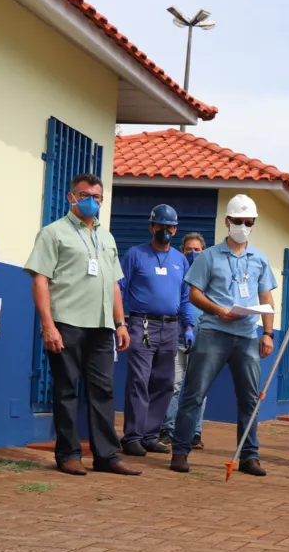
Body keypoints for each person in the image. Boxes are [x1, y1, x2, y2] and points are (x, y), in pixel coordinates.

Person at [23, 173, 138, 477]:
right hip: (67, 323)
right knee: (66, 390)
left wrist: (120, 323)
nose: (91, 201)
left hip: (102, 326)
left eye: (97, 197)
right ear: (70, 197)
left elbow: (114, 284)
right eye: (85, 195)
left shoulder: (107, 236)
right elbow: (40, 280)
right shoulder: (53, 233)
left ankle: (107, 456)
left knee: (103, 391)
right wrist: (48, 325)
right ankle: (69, 454)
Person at [169, 194, 277, 476]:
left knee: (250, 399)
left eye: (248, 222)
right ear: (227, 221)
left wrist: (268, 333)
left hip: (246, 335)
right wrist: (218, 310)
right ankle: (180, 450)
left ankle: (249, 456)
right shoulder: (208, 256)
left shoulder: (260, 260)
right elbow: (193, 294)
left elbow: (266, 297)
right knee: (194, 393)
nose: (243, 226)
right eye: (238, 221)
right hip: (213, 333)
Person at [118, 204, 196, 457]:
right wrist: (119, 322)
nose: (165, 230)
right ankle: (132, 436)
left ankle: (151, 435)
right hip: (141, 324)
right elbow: (118, 288)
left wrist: (189, 325)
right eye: (160, 225)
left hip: (171, 326)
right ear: (152, 226)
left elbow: (185, 297)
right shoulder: (135, 254)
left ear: (176, 229)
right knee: (139, 380)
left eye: (170, 226)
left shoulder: (180, 260)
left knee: (164, 382)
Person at [158, 233, 210, 449]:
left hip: (203, 341)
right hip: (176, 339)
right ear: (182, 251)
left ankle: (194, 432)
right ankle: (167, 429)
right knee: (173, 386)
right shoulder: (176, 274)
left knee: (199, 390)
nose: (193, 253)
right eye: (189, 249)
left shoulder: (210, 278)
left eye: (197, 249)